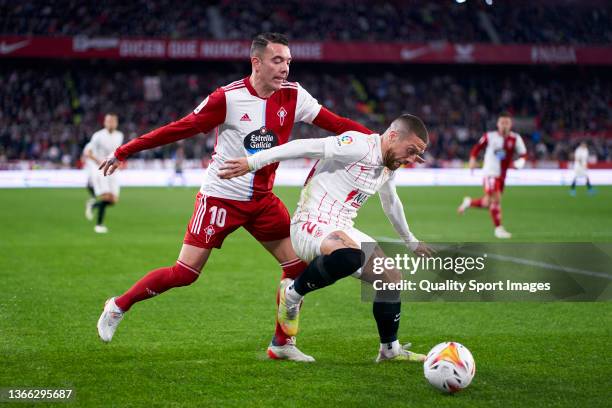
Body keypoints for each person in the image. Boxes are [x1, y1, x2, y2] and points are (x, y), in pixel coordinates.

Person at [96, 32, 373, 362]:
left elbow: (337, 123)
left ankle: (282, 344)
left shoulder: (294, 96)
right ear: (256, 62)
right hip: (220, 199)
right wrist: (125, 150)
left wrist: (378, 142)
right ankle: (118, 305)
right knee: (185, 273)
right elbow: (178, 128)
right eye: (277, 60)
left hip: (263, 201)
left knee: (296, 268)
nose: (285, 68)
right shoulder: (227, 98)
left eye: (288, 61)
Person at [219, 114, 433, 362]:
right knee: (351, 256)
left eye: (416, 154)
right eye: (410, 151)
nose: (410, 159)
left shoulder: (388, 165)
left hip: (342, 227)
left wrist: (411, 241)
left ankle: (390, 350)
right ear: (393, 136)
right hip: (310, 222)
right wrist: (252, 162)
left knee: (391, 277)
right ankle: (292, 294)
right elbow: (302, 146)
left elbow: (391, 202)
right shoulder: (358, 145)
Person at [457, 112, 527, 239]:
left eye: (507, 123)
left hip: (502, 175)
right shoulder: (489, 136)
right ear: (498, 124)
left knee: (488, 202)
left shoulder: (515, 138)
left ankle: (469, 202)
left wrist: (518, 164)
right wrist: (472, 159)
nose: (504, 125)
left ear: (511, 124)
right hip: (490, 173)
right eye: (502, 123)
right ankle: (498, 229)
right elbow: (477, 148)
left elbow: (523, 154)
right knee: (496, 199)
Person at [84, 113, 124, 233]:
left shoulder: (120, 135)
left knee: (113, 200)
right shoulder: (98, 136)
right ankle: (99, 225)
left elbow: (119, 152)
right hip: (101, 170)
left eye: (113, 121)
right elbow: (88, 153)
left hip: (114, 170)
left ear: (116, 123)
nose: (111, 123)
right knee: (106, 197)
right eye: (108, 121)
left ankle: (93, 205)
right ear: (104, 122)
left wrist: (120, 162)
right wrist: (100, 162)